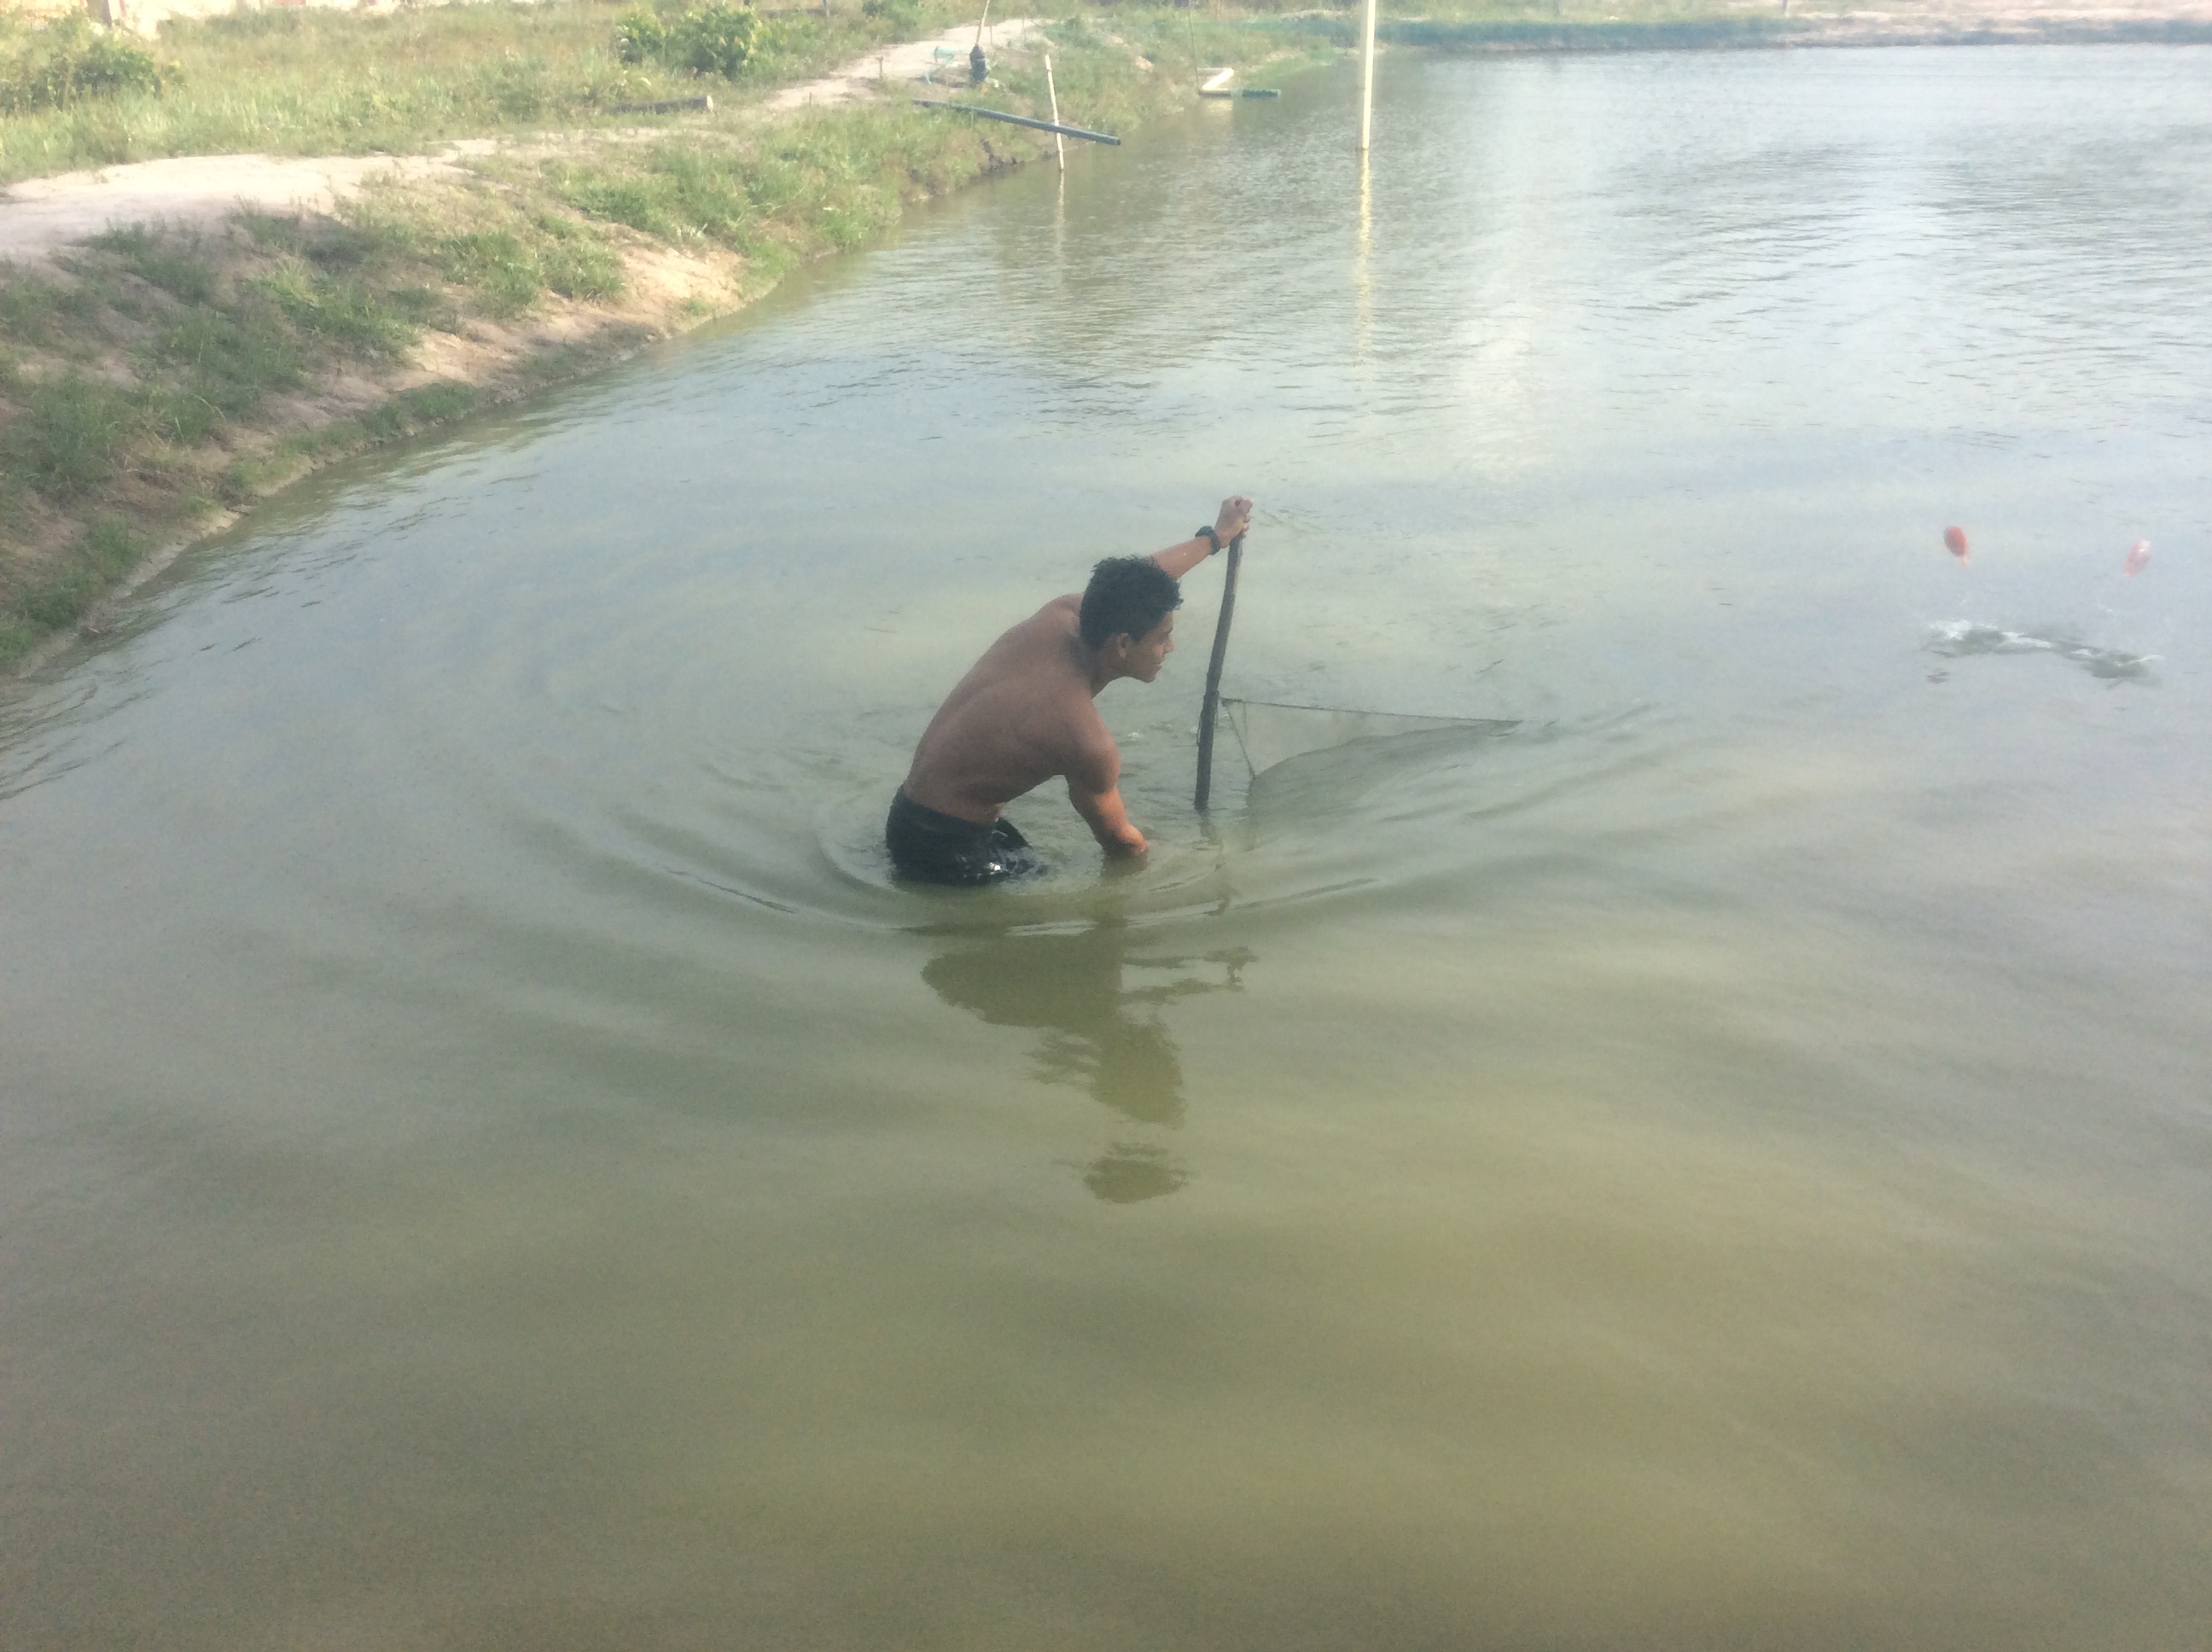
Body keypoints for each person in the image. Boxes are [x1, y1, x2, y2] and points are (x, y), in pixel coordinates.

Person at [888, 495, 1256, 886]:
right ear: (1122, 646)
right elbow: (1121, 843)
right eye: (1163, 637)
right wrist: (1188, 863)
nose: (1170, 648)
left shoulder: (1063, 613)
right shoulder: (1084, 737)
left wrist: (1218, 537)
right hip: (946, 850)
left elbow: (1133, 583)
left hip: (909, 813)